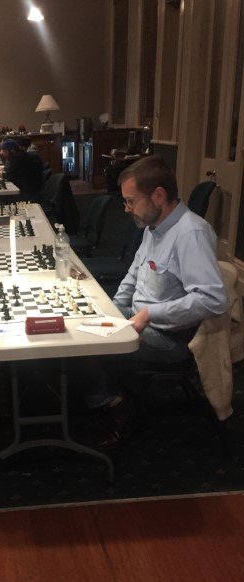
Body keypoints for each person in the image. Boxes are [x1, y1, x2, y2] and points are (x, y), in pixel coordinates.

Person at [80, 155, 229, 448]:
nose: (126, 209)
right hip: (140, 318)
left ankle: (117, 405)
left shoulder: (191, 234)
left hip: (170, 339)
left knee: (90, 346)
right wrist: (111, 310)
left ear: (158, 196)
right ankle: (105, 396)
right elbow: (133, 274)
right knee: (81, 326)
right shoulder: (153, 228)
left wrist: (150, 314)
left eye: (131, 201)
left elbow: (213, 299)